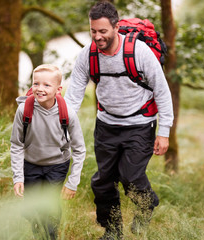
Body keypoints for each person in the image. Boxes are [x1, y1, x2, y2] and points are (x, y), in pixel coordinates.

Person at [64, 1, 174, 239]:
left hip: (140, 125)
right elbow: (72, 96)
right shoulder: (88, 54)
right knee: (103, 182)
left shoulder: (139, 52)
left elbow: (162, 92)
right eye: (93, 31)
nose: (98, 37)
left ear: (115, 27)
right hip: (106, 125)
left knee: (131, 177)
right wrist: (62, 125)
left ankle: (146, 205)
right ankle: (113, 230)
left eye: (103, 31)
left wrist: (163, 132)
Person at [10, 64, 86, 239]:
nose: (40, 89)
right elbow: (16, 144)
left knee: (50, 206)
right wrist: (18, 177)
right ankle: (37, 229)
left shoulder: (68, 113)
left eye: (46, 85)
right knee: (32, 208)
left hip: (57, 165)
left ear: (58, 89)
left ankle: (50, 235)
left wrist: (72, 182)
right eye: (36, 84)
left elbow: (79, 149)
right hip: (31, 164)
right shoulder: (23, 110)